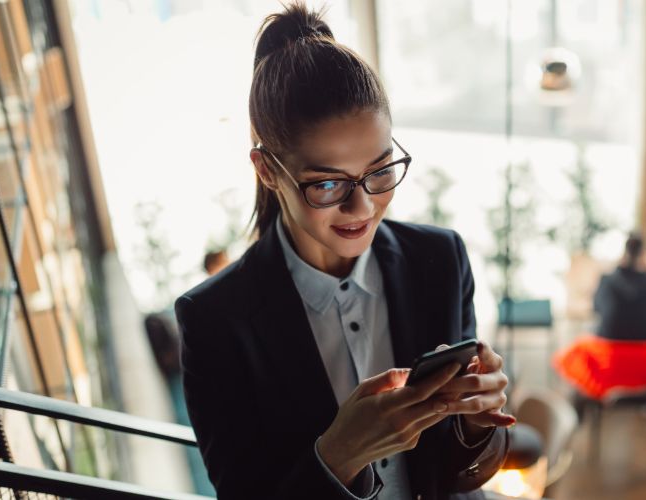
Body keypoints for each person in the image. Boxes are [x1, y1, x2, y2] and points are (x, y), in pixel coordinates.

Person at [174, 4, 513, 499]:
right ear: (267, 171)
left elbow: (458, 475)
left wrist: (478, 423)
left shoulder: (439, 259)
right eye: (328, 183)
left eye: (379, 170)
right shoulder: (215, 321)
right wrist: (341, 453)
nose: (363, 205)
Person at [593, 232, 646, 341]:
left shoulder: (607, 281)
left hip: (612, 349)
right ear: (643, 255)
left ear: (624, 253)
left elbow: (596, 306)